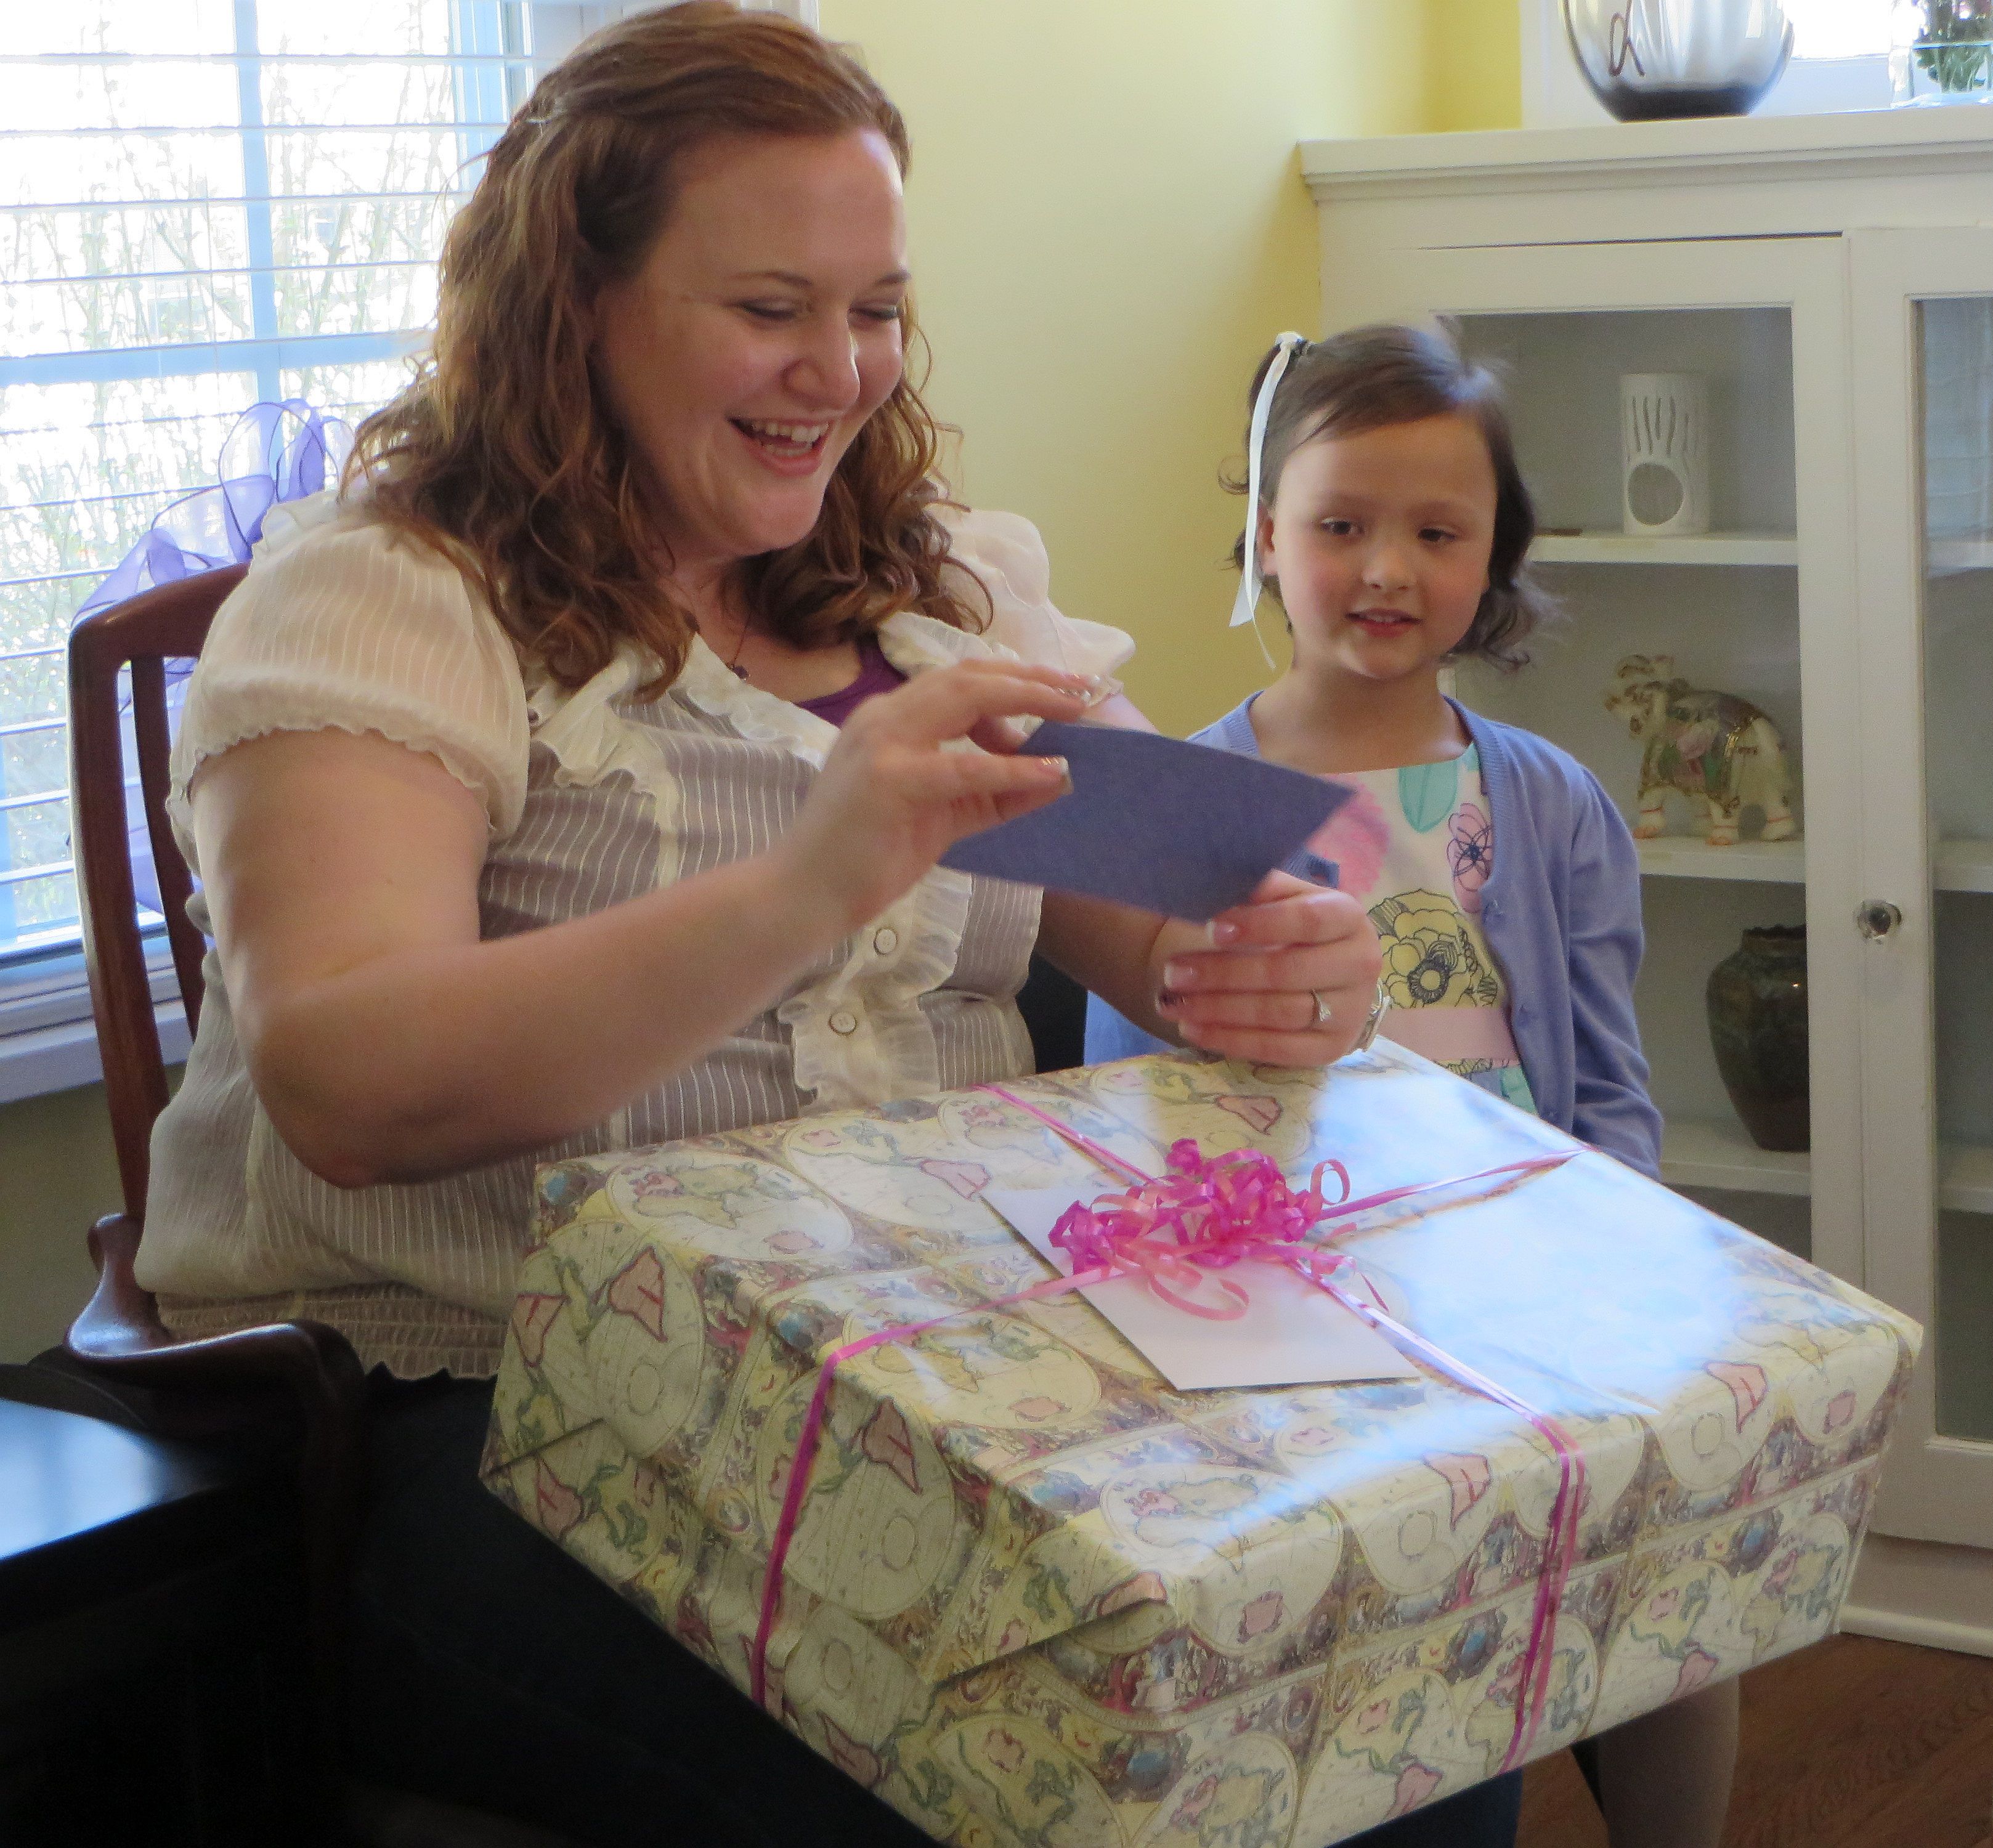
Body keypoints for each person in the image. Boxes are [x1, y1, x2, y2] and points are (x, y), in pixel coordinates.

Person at [126, 12, 1533, 1847]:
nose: (841, 369)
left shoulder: (945, 582)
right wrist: (809, 877)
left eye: (876, 308)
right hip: (501, 1414)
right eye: (770, 307)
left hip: (943, 1367)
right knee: (1064, 1769)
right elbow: (349, 1082)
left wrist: (1280, 967)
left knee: (1402, 1671)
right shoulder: (385, 602)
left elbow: (1164, 921)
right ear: (574, 304)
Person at [1087, 324, 1725, 1848]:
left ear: (1494, 553)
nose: (1385, 569)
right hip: (1284, 1311)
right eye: (1339, 526)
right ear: (1266, 536)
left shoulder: (1549, 800)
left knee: (1665, 1582)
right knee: (1388, 1627)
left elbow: (1606, 1079)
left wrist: (1621, 1270)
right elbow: (1126, 1095)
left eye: (1437, 533)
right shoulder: (1181, 799)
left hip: (1521, 1284)